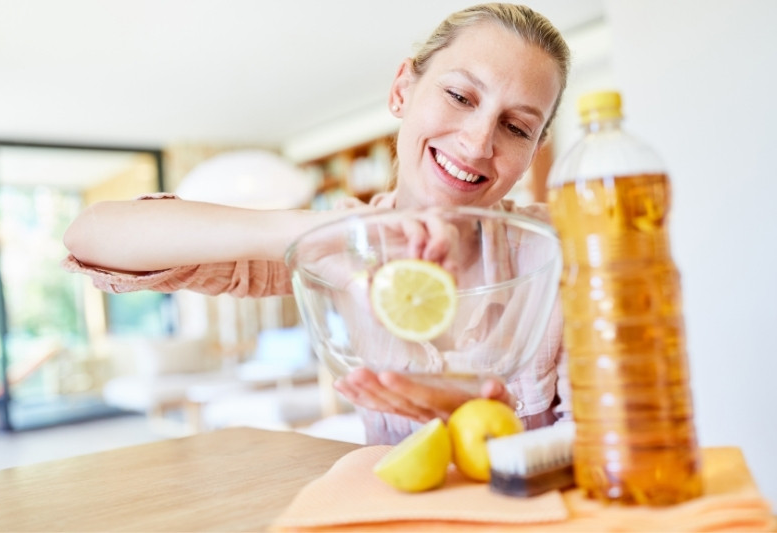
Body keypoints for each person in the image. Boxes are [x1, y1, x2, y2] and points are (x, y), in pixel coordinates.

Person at [63, 3, 572, 445]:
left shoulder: (567, 252)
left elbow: (607, 442)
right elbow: (93, 236)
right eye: (460, 97)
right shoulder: (333, 250)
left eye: (516, 126)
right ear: (402, 89)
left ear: (532, 153)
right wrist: (312, 238)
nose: (479, 142)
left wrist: (480, 415)